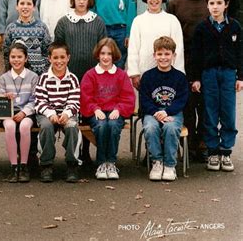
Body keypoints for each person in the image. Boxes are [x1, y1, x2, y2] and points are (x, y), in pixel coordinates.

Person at [191, 0, 242, 172]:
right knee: (210, 112)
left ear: (226, 5)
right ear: (207, 5)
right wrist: (196, 78)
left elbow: (240, 53)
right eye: (212, 3)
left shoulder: (235, 26)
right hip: (208, 74)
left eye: (219, 3)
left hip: (228, 74)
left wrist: (240, 77)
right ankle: (213, 151)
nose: (215, 7)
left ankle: (225, 151)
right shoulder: (202, 28)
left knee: (228, 112)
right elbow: (196, 55)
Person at [168, 0, 210, 161]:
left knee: (206, 106)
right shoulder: (176, 4)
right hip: (184, 61)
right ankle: (189, 144)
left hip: (207, 61)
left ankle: (202, 145)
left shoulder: (212, 1)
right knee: (188, 106)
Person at [80, 38, 135, 180]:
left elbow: (128, 97)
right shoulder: (90, 74)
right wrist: (94, 109)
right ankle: (101, 163)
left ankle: (110, 162)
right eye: (103, 53)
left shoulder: (121, 75)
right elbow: (86, 97)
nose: (105, 57)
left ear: (114, 55)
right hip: (96, 112)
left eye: (109, 54)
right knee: (101, 126)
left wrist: (119, 109)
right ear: (98, 54)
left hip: (115, 112)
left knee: (113, 125)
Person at [140, 37, 189, 181]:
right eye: (160, 54)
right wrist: (156, 112)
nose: (163, 58)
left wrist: (166, 112)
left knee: (171, 128)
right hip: (152, 112)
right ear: (154, 55)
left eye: (167, 54)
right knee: (150, 127)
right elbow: (144, 100)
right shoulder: (148, 76)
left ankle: (169, 165)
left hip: (172, 112)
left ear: (174, 56)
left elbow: (181, 100)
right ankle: (157, 162)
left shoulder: (180, 77)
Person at [35, 42, 82, 183]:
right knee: (47, 127)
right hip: (47, 113)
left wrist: (67, 113)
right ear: (49, 59)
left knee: (72, 127)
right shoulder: (43, 78)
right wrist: (51, 114)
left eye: (62, 57)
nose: (59, 61)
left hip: (67, 113)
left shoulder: (72, 79)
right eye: (55, 58)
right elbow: (40, 101)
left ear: (68, 58)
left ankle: (72, 164)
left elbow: (74, 101)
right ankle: (46, 164)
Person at [128, 0, 185, 90]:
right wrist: (134, 73)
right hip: (145, 72)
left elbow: (178, 49)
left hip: (168, 73)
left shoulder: (172, 20)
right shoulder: (138, 21)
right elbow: (133, 49)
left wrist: (178, 73)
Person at [0, 42, 39, 183]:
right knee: (9, 126)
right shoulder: (3, 78)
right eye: (13, 57)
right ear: (9, 58)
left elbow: (35, 100)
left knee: (24, 126)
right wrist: (5, 98)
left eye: (20, 57)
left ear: (26, 58)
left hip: (27, 113)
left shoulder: (33, 77)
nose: (16, 60)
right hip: (9, 113)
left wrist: (24, 113)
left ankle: (24, 166)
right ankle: (13, 166)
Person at [55, 0, 107, 83]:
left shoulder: (98, 22)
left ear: (89, 0)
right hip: (68, 72)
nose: (81, 2)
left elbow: (103, 47)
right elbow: (58, 47)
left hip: (93, 72)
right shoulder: (63, 22)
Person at [3, 0, 51, 75]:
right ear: (16, 7)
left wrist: (44, 72)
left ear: (34, 7)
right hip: (17, 75)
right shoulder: (11, 29)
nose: (25, 7)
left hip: (38, 75)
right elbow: (6, 55)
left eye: (29, 4)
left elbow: (47, 52)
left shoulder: (41, 28)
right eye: (22, 3)